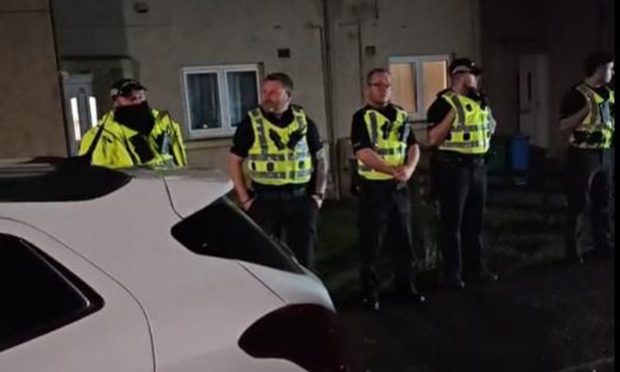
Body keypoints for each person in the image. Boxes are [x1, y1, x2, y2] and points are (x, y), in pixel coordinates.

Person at [228, 72, 328, 270]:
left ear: (288, 95)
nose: (266, 96)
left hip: (300, 201)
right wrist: (245, 200)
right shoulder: (251, 123)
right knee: (265, 259)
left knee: (304, 260)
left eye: (273, 92)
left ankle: (305, 296)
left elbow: (321, 160)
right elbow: (234, 162)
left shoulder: (304, 122)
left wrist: (318, 195)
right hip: (265, 202)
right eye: (264, 91)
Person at [351, 68, 425, 311]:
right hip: (373, 188)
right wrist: (391, 170)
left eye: (387, 85)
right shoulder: (361, 117)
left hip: (400, 186)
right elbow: (363, 152)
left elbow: (413, 145)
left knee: (404, 239)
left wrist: (410, 168)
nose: (383, 89)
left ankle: (406, 287)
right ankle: (370, 293)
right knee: (371, 242)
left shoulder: (401, 115)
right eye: (378, 85)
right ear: (368, 88)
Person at [427, 58, 498, 289]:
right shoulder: (442, 104)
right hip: (454, 169)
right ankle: (451, 273)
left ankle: (474, 269)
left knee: (475, 223)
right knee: (452, 225)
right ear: (459, 76)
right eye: (472, 74)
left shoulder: (479, 101)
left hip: (477, 167)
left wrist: (485, 110)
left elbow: (491, 128)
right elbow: (433, 139)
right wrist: (454, 112)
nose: (477, 78)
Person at [559, 51, 615, 264]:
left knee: (603, 201)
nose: (612, 71)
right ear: (599, 69)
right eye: (610, 67)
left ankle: (603, 245)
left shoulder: (609, 94)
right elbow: (563, 125)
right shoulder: (576, 94)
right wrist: (585, 111)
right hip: (583, 154)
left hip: (605, 153)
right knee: (578, 203)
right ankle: (573, 251)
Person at [79, 78, 187, 168]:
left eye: (140, 97)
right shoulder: (101, 138)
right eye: (131, 98)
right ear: (115, 101)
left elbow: (179, 162)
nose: (138, 102)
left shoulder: (164, 125)